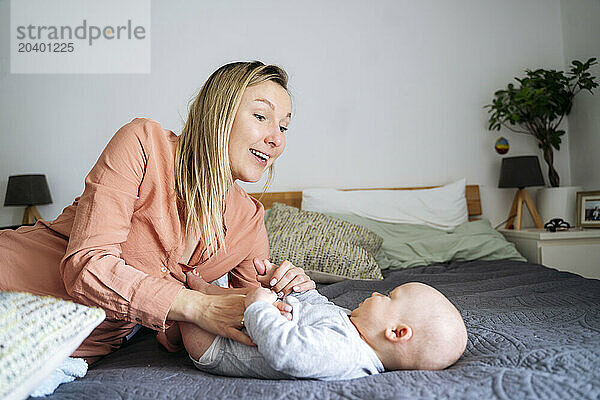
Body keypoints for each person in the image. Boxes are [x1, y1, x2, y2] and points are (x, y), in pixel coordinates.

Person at [0, 61, 315, 363]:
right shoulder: (143, 144)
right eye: (261, 116)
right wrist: (197, 306)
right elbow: (87, 266)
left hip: (65, 349)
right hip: (11, 288)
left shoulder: (249, 221)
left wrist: (287, 293)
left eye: (284, 127)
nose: (276, 139)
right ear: (219, 112)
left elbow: (245, 320)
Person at [176, 262, 468, 380]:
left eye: (389, 296)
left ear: (397, 331)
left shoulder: (345, 352)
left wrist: (259, 308)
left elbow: (286, 352)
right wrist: (298, 289)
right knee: (223, 289)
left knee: (181, 290)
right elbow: (321, 308)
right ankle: (173, 333)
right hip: (242, 323)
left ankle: (186, 306)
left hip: (218, 346)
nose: (378, 292)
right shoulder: (356, 328)